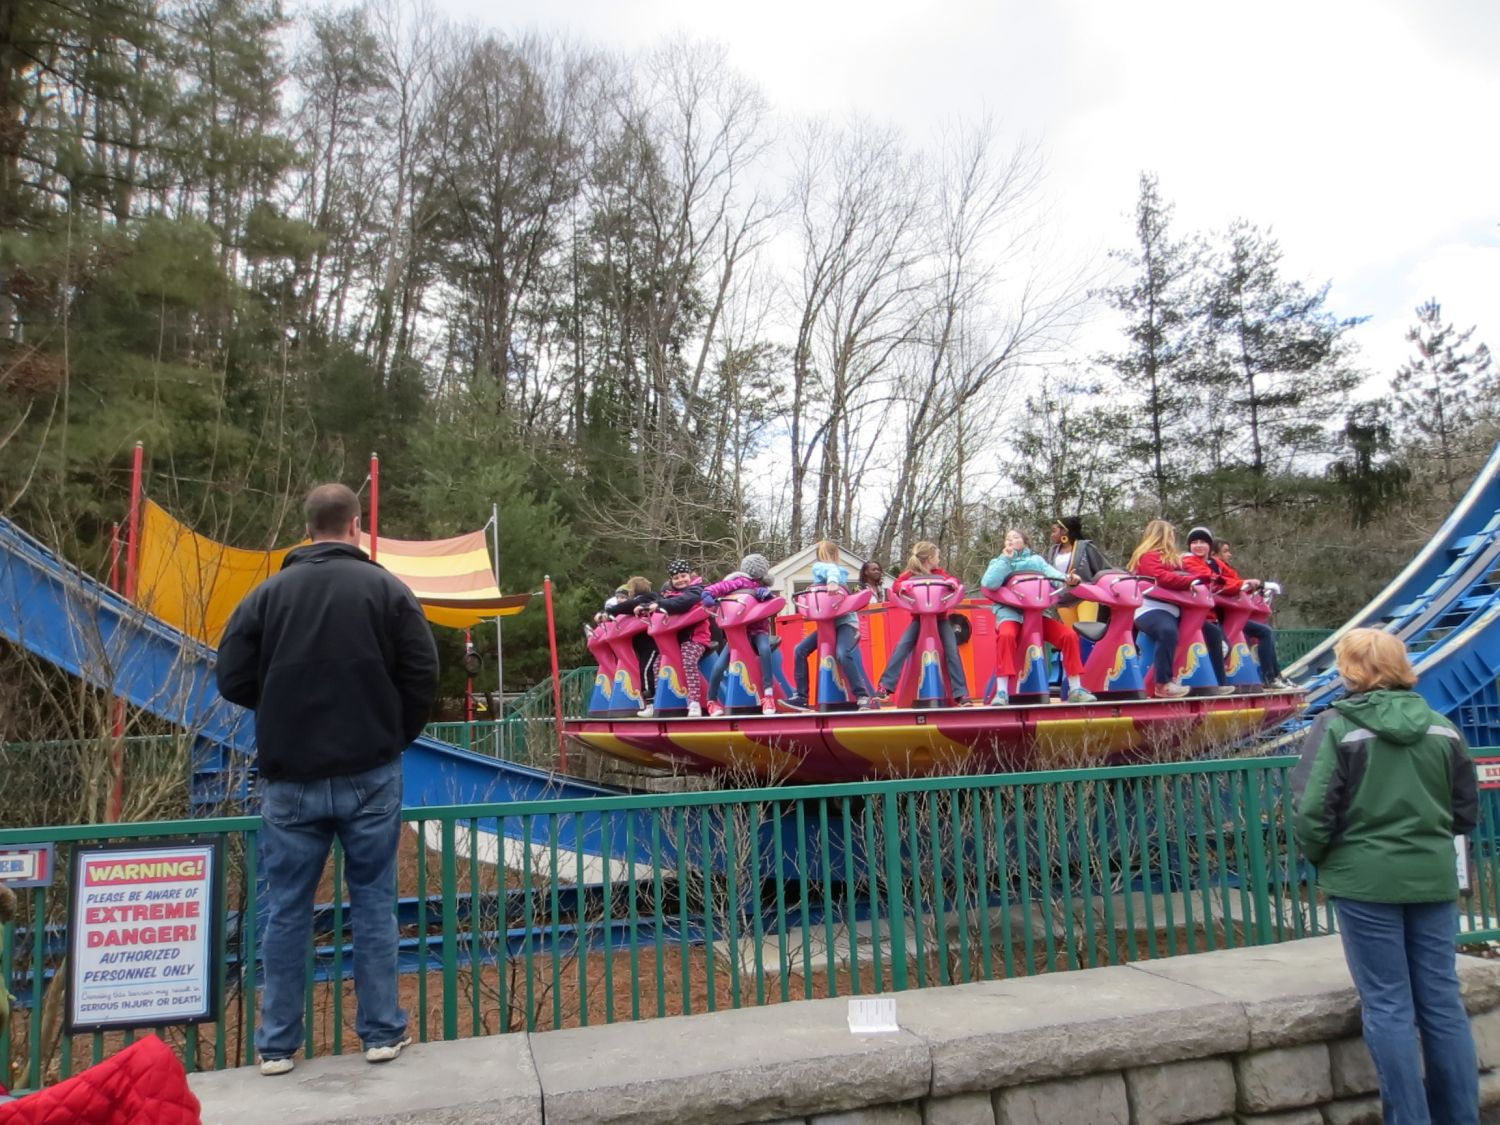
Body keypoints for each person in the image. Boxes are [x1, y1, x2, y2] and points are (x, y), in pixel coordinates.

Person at [217, 483, 439, 1075]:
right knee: (374, 903)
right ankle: (381, 1033)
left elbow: (231, 677)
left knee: (286, 909)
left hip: (290, 775)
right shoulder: (388, 590)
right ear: (356, 526)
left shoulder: (266, 596)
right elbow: (423, 673)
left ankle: (276, 1045)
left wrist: (282, 706)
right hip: (371, 770)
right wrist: (392, 733)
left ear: (307, 527)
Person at [1292, 628, 1479, 1125]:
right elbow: (1465, 810)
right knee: (1441, 1001)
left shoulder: (1336, 727)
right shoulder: (1443, 727)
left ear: (1351, 669)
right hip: (1431, 876)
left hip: (1365, 880)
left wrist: (1326, 858)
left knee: (1388, 1004)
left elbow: (1313, 811)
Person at [981, 529, 1096, 706]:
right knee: (1006, 636)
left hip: (1035, 616)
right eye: (1007, 538)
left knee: (1068, 635)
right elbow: (989, 583)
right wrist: (1005, 559)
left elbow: (1055, 577)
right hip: (1010, 614)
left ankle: (1075, 688)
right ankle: (1002, 691)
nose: (1011, 540)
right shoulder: (999, 562)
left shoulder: (1037, 561)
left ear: (1025, 542)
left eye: (1015, 537)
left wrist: (1069, 579)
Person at [1127, 520, 1233, 699]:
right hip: (1151, 608)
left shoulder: (1173, 558)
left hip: (1174, 609)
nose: (1174, 538)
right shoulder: (1148, 556)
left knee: (1213, 633)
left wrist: (1207, 579)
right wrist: (1193, 580)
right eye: (1171, 534)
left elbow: (1185, 574)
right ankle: (1163, 684)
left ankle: (1217, 683)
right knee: (1167, 631)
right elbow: (1163, 578)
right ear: (1162, 535)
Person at [872, 541, 970, 706]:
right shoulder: (910, 575)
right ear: (930, 558)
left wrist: (953, 583)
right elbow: (896, 585)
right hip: (919, 620)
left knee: (952, 650)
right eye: (937, 556)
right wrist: (903, 587)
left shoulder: (940, 573)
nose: (939, 559)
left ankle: (961, 693)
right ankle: (885, 687)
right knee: (902, 646)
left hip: (940, 619)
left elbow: (953, 580)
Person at [787, 540, 876, 709]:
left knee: (842, 652)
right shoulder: (825, 574)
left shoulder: (828, 570)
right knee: (800, 649)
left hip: (846, 623)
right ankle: (801, 696)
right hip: (828, 625)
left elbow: (831, 569)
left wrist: (832, 582)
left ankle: (861, 694)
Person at [701, 553, 784, 715]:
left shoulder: (760, 587)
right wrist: (708, 594)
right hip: (738, 633)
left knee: (764, 650)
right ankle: (711, 700)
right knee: (719, 665)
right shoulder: (739, 582)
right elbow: (719, 587)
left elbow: (769, 600)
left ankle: (768, 694)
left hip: (758, 631)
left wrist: (767, 597)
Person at [1209, 537, 1295, 690]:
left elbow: (1237, 586)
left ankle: (1275, 676)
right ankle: (1270, 677)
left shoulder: (1224, 569)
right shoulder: (1215, 568)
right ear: (1214, 554)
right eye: (1225, 551)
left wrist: (1256, 587)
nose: (1229, 554)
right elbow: (1227, 586)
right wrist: (1249, 584)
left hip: (1233, 614)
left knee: (1266, 632)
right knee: (1265, 632)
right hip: (1225, 616)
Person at [636, 560, 709, 718]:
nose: (680, 580)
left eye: (683, 576)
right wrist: (644, 607)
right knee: (657, 664)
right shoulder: (668, 595)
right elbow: (661, 602)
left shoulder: (697, 590)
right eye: (676, 578)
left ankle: (695, 702)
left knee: (688, 660)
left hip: (695, 638)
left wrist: (659, 605)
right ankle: (661, 701)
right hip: (674, 641)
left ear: (689, 575)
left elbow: (683, 602)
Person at [1046, 516, 1110, 626]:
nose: (1052, 535)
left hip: (1086, 596)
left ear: (1064, 531)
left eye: (1054, 531)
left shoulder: (1085, 547)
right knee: (1073, 634)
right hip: (1064, 600)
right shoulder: (1053, 551)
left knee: (1087, 631)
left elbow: (1103, 568)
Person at [605, 576, 658, 695]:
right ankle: (644, 694)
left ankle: (649, 696)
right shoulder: (648, 600)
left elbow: (625, 606)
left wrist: (608, 612)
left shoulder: (643, 601)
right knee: (643, 667)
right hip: (643, 643)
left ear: (633, 590)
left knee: (646, 668)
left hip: (649, 644)